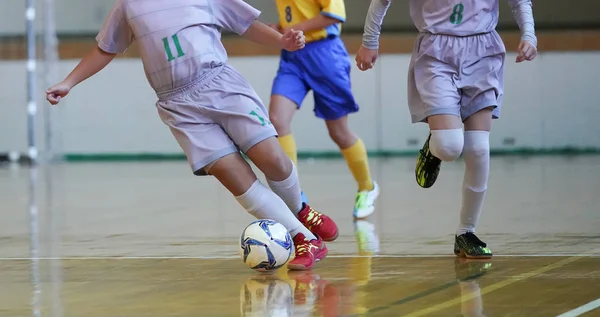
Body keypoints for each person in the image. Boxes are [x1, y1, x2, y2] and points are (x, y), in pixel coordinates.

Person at [45, 0, 340, 270]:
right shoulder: (128, 5)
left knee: (272, 159)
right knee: (231, 173)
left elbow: (245, 24)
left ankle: (301, 210)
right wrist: (69, 82)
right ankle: (304, 238)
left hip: (220, 84)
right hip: (177, 104)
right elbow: (105, 48)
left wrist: (282, 41)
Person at [356, 0, 538, 258]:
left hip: (484, 50)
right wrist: (370, 40)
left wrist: (529, 34)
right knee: (449, 146)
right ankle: (434, 147)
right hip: (436, 51)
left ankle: (466, 232)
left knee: (478, 148)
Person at [267, 0, 379, 219]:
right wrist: (280, 29)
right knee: (277, 120)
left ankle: (367, 187)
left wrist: (293, 29)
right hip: (292, 57)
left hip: (325, 54)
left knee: (338, 132)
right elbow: (295, 17)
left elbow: (334, 14)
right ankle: (294, 196)